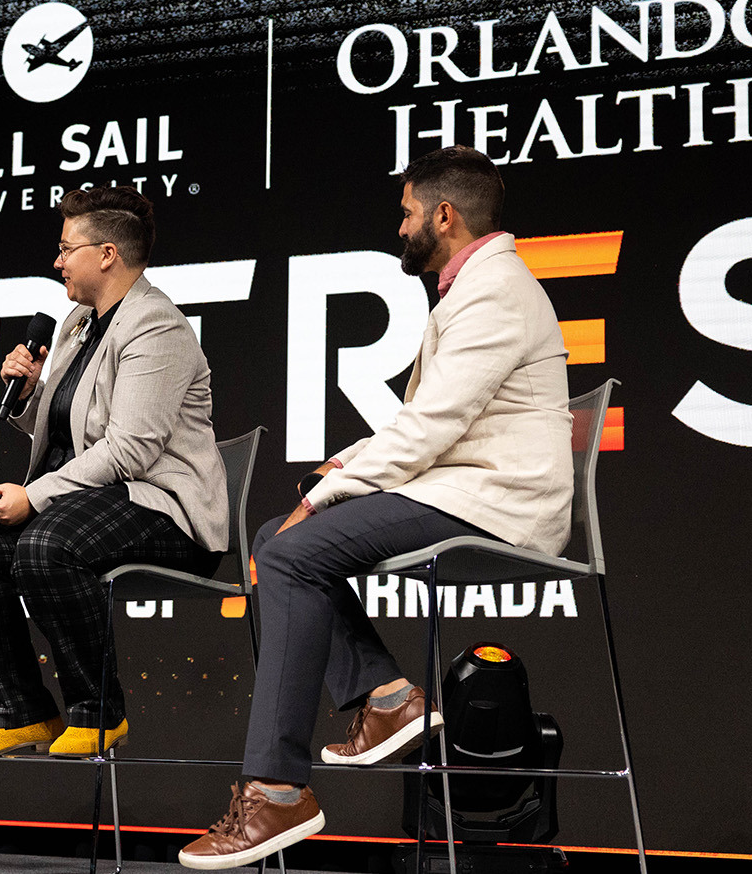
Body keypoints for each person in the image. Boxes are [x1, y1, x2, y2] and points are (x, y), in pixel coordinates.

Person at [179, 146, 574, 869]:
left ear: (443, 216)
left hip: (499, 501)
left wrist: (330, 494)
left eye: (407, 212)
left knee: (288, 548)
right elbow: (423, 424)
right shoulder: (471, 291)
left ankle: (276, 792)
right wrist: (344, 466)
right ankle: (387, 694)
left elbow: (431, 429)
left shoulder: (495, 292)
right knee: (276, 537)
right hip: (465, 485)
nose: (401, 226)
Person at [0, 186, 229, 759]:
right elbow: (76, 432)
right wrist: (28, 395)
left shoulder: (157, 327)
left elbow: (130, 451)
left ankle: (98, 710)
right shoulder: (78, 323)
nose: (57, 261)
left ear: (107, 255)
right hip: (98, 502)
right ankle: (20, 710)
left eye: (66, 248)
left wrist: (35, 496)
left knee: (46, 544)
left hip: (166, 511)